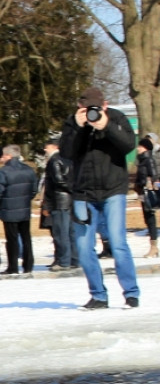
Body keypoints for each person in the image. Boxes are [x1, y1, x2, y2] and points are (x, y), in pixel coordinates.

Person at [59, 86, 140, 309]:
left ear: (105, 106)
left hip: (113, 189)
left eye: (97, 108)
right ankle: (98, 295)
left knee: (118, 242)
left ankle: (131, 293)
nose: (92, 112)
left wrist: (107, 126)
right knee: (84, 247)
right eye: (87, 109)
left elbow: (128, 145)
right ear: (79, 107)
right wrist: (77, 127)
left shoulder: (116, 117)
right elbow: (66, 153)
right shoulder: (73, 122)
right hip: (83, 193)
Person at [0, 144, 38, 275]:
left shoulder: (2, 172)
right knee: (26, 237)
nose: (1, 158)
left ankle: (13, 266)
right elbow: (34, 189)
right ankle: (28, 265)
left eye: (3, 155)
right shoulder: (29, 170)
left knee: (11, 239)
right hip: (24, 208)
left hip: (8, 209)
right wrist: (25, 199)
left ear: (8, 156)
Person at [41, 137, 78, 272]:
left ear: (55, 147)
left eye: (47, 146)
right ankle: (75, 259)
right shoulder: (68, 159)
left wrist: (48, 203)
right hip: (69, 201)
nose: (45, 149)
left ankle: (64, 261)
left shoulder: (54, 160)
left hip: (59, 201)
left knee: (60, 233)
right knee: (70, 232)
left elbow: (58, 181)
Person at [134, 137, 158, 258]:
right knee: (148, 219)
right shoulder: (142, 160)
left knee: (150, 218)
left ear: (145, 148)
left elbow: (154, 176)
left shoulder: (148, 160)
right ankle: (153, 247)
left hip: (149, 193)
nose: (137, 148)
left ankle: (154, 247)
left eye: (140, 146)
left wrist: (152, 185)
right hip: (143, 193)